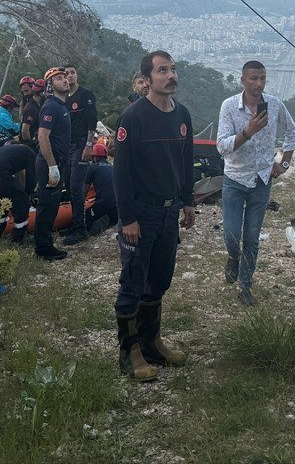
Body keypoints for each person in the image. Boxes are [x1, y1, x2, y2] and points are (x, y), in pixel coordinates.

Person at [113, 50, 194, 381]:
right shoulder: (133, 118)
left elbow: (186, 163)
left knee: (159, 279)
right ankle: (129, 352)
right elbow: (121, 173)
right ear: (147, 79)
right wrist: (128, 218)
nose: (171, 75)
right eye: (163, 71)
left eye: (173, 70)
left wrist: (188, 202)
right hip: (140, 212)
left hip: (168, 210)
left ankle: (152, 343)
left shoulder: (182, 115)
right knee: (133, 280)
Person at [215, 60, 295, 306]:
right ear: (243, 80)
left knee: (251, 236)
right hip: (235, 177)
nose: (258, 83)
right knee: (231, 234)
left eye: (262, 78)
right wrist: (248, 132)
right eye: (253, 78)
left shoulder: (274, 105)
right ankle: (232, 257)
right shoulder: (229, 107)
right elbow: (221, 146)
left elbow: (292, 131)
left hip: (262, 179)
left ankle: (245, 286)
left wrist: (283, 163)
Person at [33, 67, 73, 261]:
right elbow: (43, 136)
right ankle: (43, 248)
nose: (65, 80)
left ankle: (45, 242)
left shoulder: (61, 106)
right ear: (50, 85)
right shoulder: (51, 106)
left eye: (65, 77)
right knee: (47, 205)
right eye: (59, 78)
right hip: (51, 164)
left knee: (53, 204)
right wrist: (52, 166)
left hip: (59, 163)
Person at [62, 65, 98, 246]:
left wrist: (89, 145)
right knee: (68, 186)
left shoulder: (85, 95)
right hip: (67, 146)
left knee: (77, 188)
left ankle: (81, 229)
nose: (69, 76)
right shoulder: (64, 99)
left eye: (72, 72)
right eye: (66, 74)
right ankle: (74, 224)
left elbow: (92, 121)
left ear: (77, 75)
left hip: (81, 145)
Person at [0, 141, 36, 243]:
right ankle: (18, 237)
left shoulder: (13, 151)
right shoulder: (30, 153)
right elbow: (32, 177)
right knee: (21, 202)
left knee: (0, 202)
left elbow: (18, 175)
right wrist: (28, 194)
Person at [84, 159, 118, 235]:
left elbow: (85, 190)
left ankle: (89, 227)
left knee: (88, 213)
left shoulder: (93, 167)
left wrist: (80, 203)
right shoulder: (113, 167)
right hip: (116, 207)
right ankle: (110, 221)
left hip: (102, 205)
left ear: (95, 156)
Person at [20, 78, 46, 152]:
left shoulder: (36, 105)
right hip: (30, 145)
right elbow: (24, 130)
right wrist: (31, 145)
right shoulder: (31, 108)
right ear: (41, 93)